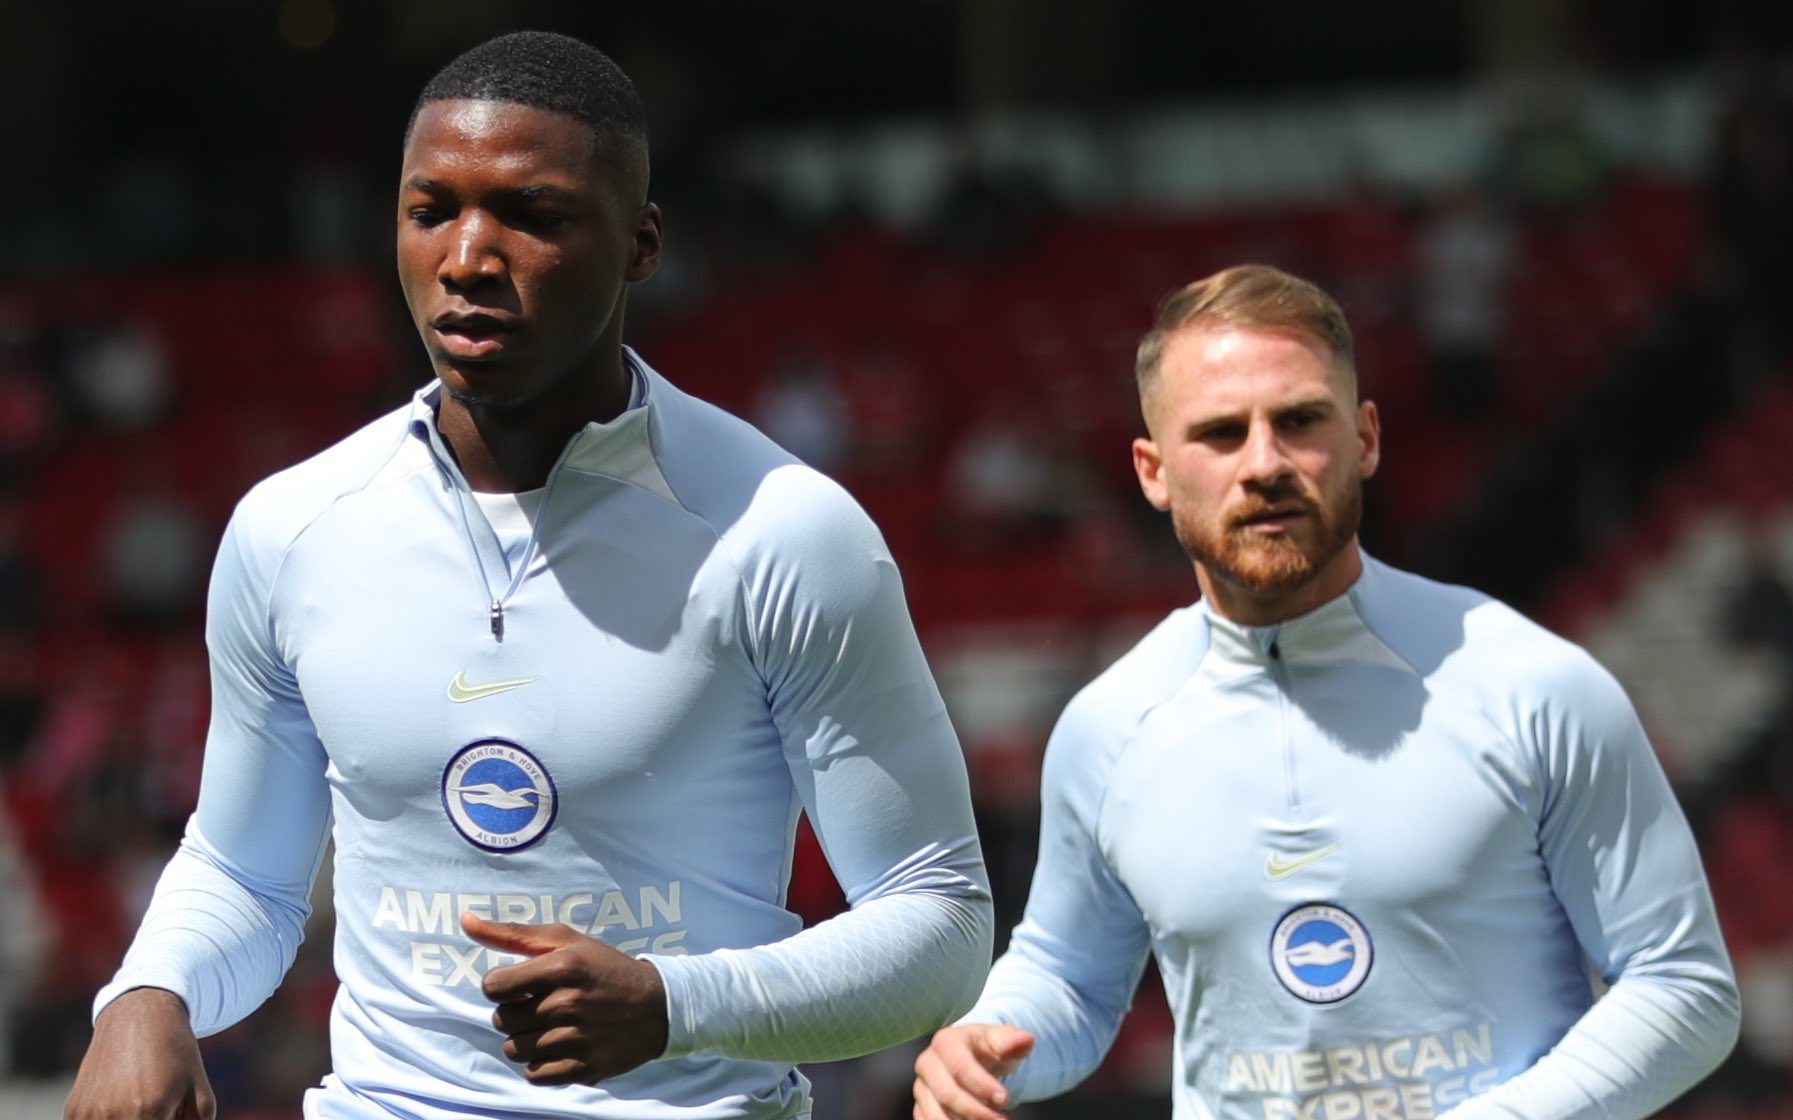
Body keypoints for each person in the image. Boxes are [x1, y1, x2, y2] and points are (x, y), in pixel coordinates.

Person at [65, 30, 992, 1120]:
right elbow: (245, 872)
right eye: (430, 211)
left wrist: (675, 1005)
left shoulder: (783, 534)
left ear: (641, 244)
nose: (468, 257)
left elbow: (942, 923)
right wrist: (147, 994)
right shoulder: (292, 530)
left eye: (533, 215)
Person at [913, 264, 1740, 1120]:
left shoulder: (1534, 688)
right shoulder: (1108, 728)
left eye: (1299, 421)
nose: (1263, 463)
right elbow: (1069, 976)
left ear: (1365, 438)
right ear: (1152, 471)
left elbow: (1682, 986)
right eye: (1221, 433)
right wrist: (988, 1041)